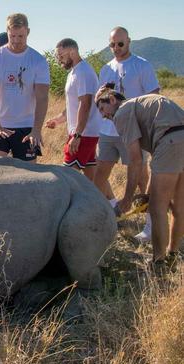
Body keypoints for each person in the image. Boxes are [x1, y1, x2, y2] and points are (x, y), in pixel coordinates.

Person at [95, 88, 183, 269]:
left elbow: (135, 160)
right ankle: (173, 254)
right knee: (179, 207)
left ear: (112, 99)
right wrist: (147, 192)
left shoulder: (123, 111)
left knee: (157, 207)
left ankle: (158, 262)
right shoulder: (142, 105)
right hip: (176, 138)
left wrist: (127, 199)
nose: (104, 116)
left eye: (102, 109)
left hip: (170, 142)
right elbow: (153, 160)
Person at [95, 26, 160, 242]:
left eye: (120, 44)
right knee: (99, 176)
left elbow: (154, 95)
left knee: (142, 178)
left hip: (134, 131)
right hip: (108, 131)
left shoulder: (141, 65)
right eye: (112, 44)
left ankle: (150, 227)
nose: (116, 48)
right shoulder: (106, 68)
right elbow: (100, 98)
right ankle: (110, 215)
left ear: (129, 41)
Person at [0, 13, 50, 162]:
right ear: (7, 32)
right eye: (12, 36)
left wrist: (36, 130)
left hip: (26, 126)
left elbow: (42, 97)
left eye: (21, 36)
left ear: (28, 32)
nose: (16, 41)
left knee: (29, 176)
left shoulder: (38, 61)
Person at [45, 38, 103, 180]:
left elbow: (85, 104)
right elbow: (73, 106)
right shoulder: (73, 73)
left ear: (72, 51)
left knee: (67, 177)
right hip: (84, 133)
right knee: (93, 180)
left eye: (61, 56)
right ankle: (111, 202)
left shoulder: (83, 72)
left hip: (83, 134)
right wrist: (58, 120)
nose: (59, 60)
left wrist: (77, 135)